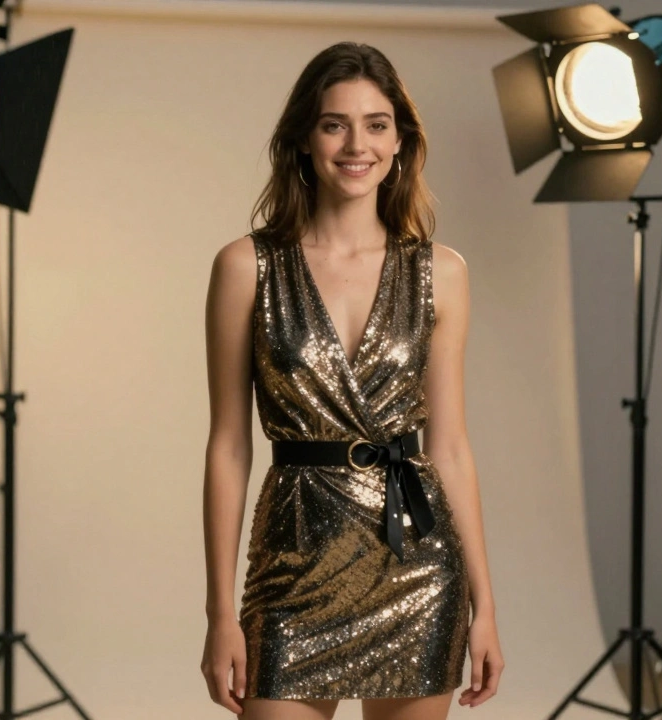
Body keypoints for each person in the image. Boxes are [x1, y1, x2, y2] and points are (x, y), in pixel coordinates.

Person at [200, 43, 504, 720]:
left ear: (400, 142)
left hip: (419, 571)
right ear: (303, 140)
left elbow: (450, 448)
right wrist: (221, 613)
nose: (356, 145)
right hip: (292, 566)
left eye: (376, 124)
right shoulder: (246, 267)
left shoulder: (442, 272)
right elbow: (228, 446)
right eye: (334, 124)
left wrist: (484, 606)